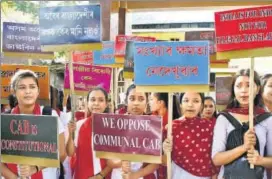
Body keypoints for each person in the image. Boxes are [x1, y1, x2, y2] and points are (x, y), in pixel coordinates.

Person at [1, 69, 66, 179]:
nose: (28, 91)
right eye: (22, 87)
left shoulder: (50, 115)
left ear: (38, 90)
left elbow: (62, 154)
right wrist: (14, 178)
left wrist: (35, 168)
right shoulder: (4, 120)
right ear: (13, 91)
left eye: (32, 87)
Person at [212, 69, 272, 179]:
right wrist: (244, 147)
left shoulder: (267, 119)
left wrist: (261, 160)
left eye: (249, 85)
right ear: (233, 90)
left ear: (258, 89)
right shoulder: (224, 118)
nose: (243, 91)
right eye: (238, 86)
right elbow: (216, 159)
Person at [109, 84, 159, 179]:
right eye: (132, 99)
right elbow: (109, 162)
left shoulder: (154, 126)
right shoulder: (114, 124)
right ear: (126, 101)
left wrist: (135, 175)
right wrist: (121, 163)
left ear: (146, 102)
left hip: (145, 176)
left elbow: (156, 162)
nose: (136, 103)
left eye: (141, 99)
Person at [163, 92, 217, 179]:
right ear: (180, 104)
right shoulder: (170, 128)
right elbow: (165, 162)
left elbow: (215, 158)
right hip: (177, 174)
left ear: (201, 106)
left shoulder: (210, 127)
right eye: (186, 100)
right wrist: (166, 150)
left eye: (196, 101)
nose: (190, 105)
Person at [66, 87, 112, 179]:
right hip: (82, 175)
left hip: (105, 176)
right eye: (92, 100)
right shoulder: (79, 125)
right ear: (87, 103)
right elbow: (70, 153)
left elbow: (116, 158)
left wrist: (101, 175)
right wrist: (70, 134)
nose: (96, 103)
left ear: (106, 104)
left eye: (101, 100)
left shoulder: (112, 127)